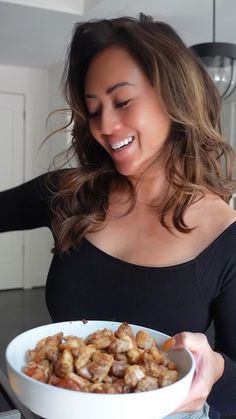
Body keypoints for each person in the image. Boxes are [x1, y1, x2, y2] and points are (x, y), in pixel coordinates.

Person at [0, 13, 236, 419]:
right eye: (93, 110)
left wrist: (213, 369)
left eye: (122, 101)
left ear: (173, 97)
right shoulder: (71, 192)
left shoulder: (226, 236)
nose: (105, 125)